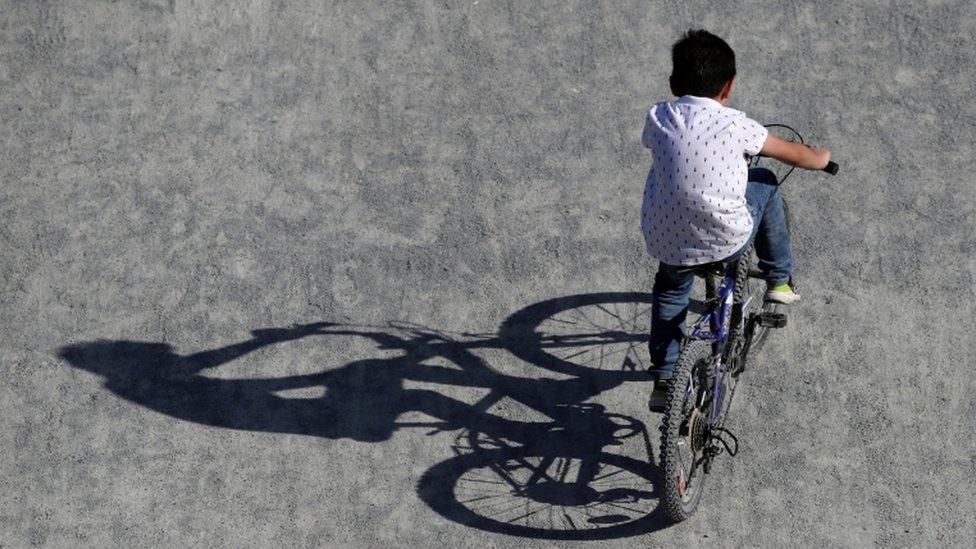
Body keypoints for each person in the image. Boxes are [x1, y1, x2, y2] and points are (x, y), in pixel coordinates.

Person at [643, 29, 831, 411]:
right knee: (764, 182)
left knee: (670, 292)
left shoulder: (658, 116)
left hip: (667, 238)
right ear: (728, 88)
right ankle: (779, 278)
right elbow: (796, 156)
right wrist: (822, 157)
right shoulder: (737, 125)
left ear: (673, 83)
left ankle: (664, 377)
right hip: (727, 239)